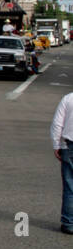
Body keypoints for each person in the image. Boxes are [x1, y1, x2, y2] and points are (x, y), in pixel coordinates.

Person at [51, 91, 73, 235]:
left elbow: (57, 123)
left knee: (70, 186)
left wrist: (56, 144)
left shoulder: (68, 98)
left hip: (69, 145)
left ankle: (68, 223)